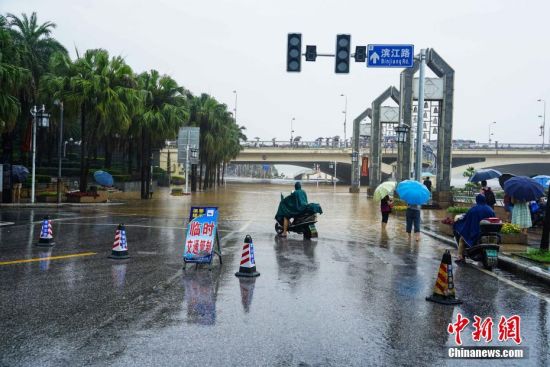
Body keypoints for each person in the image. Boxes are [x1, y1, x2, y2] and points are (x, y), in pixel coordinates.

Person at [453, 194, 495, 263]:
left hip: (476, 233)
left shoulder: (473, 209)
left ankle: (460, 257)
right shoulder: (490, 209)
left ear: (477, 200)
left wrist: (458, 222)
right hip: (489, 233)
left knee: (462, 239)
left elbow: (466, 221)